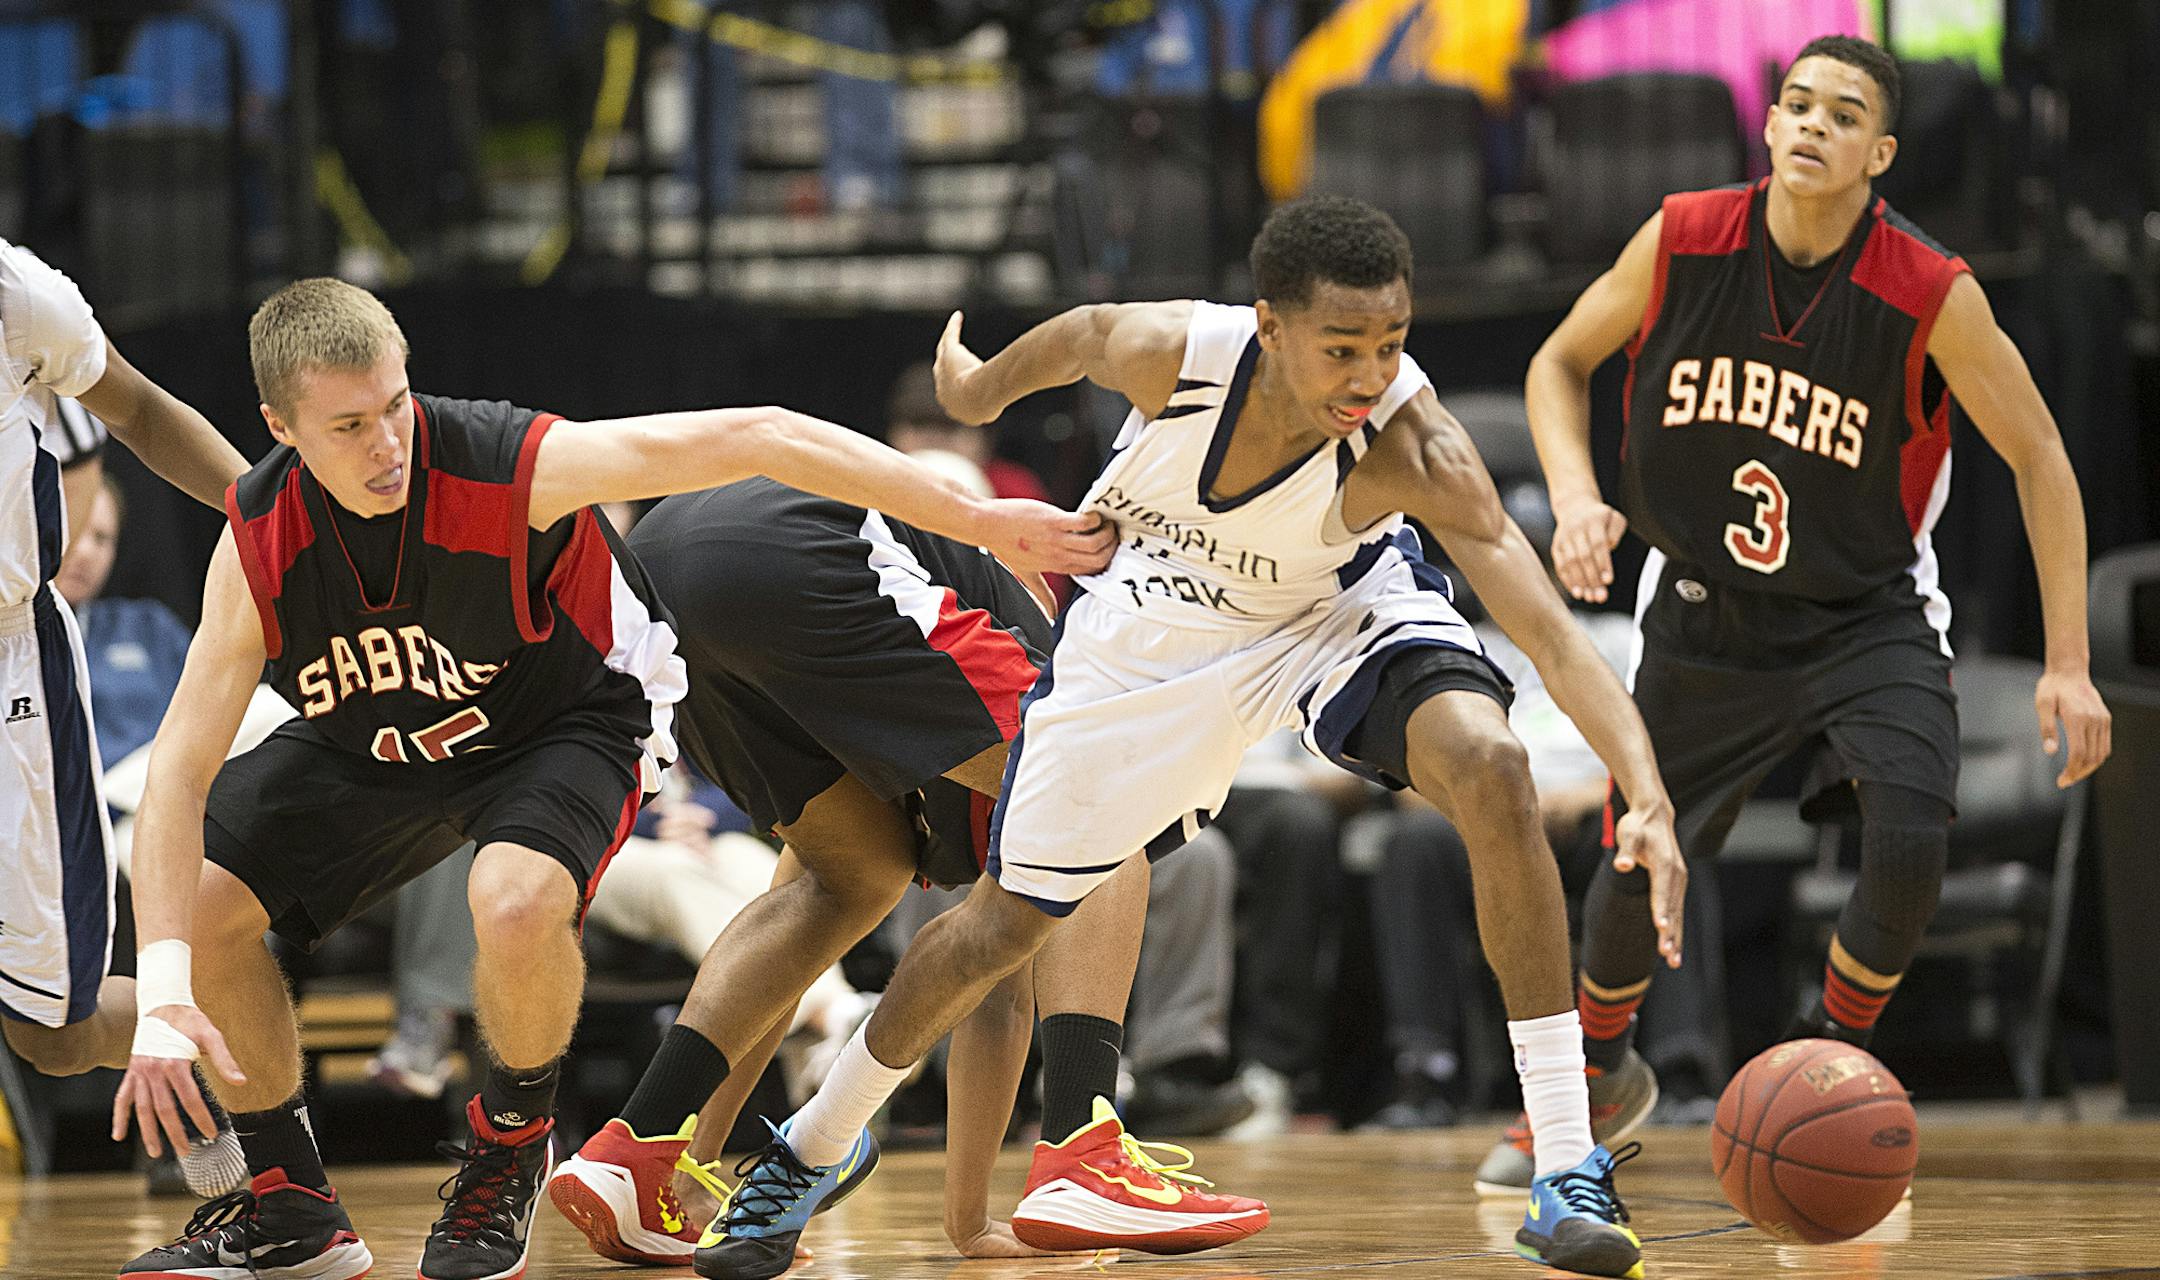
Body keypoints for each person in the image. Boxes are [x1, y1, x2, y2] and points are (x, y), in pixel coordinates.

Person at [700, 195, 1688, 1280]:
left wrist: (1642, 789)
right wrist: (976, 387)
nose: (1370, 374)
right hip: (1149, 634)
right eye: (1342, 347)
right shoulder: (1174, 350)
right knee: (998, 928)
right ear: (1268, 326)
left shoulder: (1414, 446)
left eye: (1392, 344)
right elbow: (1076, 337)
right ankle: (808, 1151)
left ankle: (1564, 1157)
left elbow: (1549, 631)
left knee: (1492, 765)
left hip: (1334, 615)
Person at [107, 277, 1111, 1280]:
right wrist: (159, 995)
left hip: (567, 717)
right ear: (281, 426)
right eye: (350, 425)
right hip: (390, 738)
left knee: (512, 898)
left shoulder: (506, 460)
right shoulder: (258, 544)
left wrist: (982, 522)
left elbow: (761, 431)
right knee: (202, 899)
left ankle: (508, 1153)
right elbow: (179, 774)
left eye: (397, 406)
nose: (387, 445)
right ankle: (294, 1205)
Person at [1476, 33, 2113, 1194]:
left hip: (1864, 613)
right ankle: (1600, 1077)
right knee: (1636, 855)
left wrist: (2067, 661)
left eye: (1843, 111)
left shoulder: (1929, 288)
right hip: (1706, 615)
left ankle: (1829, 1060)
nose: (1812, 122)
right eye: (1796, 103)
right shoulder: (1683, 235)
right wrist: (1573, 495)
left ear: (1881, 151)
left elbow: (2042, 457)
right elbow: (1558, 364)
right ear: (1767, 128)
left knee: (1914, 828)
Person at [545, 474, 1266, 1273]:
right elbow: (996, 996)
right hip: (806, 539)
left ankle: (647, 1155)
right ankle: (1086, 1144)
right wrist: (974, 1217)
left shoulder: (931, 743)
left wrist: (970, 1228)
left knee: (844, 883)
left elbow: (815, 953)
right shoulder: (1071, 692)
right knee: (1100, 802)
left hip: (654, 575)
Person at [0, 239, 245, 1118]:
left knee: (53, 1036)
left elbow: (140, 413)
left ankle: (244, 1072)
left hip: (10, 680)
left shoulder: (20, 295)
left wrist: (276, 518)